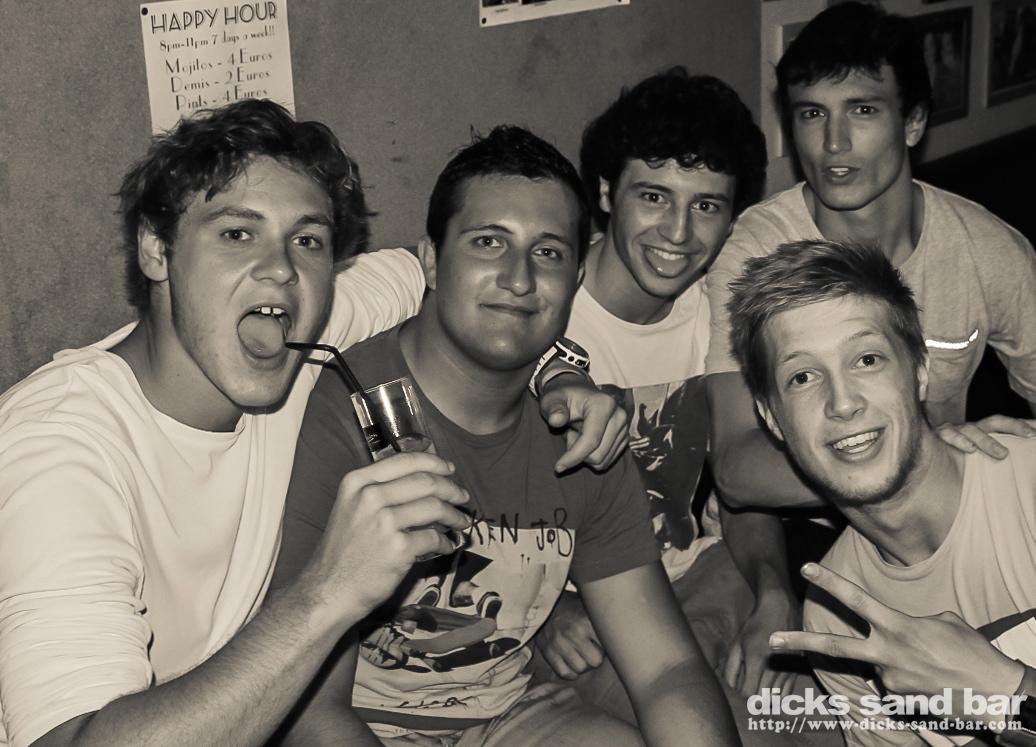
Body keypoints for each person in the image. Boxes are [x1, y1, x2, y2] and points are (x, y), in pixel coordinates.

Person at [0, 100, 626, 747]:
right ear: (157, 249)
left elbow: (494, 291)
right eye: (236, 234)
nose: (281, 269)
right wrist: (329, 590)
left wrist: (562, 372)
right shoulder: (62, 448)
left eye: (307, 240)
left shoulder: (306, 326)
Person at [270, 125, 741, 746]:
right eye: (489, 243)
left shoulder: (582, 430)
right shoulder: (347, 410)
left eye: (548, 252)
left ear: (576, 277)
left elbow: (665, 669)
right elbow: (308, 708)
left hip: (509, 716)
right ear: (432, 261)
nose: (519, 279)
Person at [533, 67, 813, 739]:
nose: (678, 232)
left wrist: (776, 593)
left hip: (705, 575)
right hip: (586, 611)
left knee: (826, 723)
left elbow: (740, 483)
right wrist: (539, 616)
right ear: (607, 192)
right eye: (654, 196)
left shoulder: (720, 316)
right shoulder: (538, 308)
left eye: (707, 206)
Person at [705, 1, 1036, 511]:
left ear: (913, 122)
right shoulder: (756, 251)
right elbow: (735, 468)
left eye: (862, 110)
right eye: (812, 113)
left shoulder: (988, 250)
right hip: (811, 522)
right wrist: (923, 465)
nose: (834, 143)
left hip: (941, 516)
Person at [727, 239, 1036, 746]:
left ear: (920, 370)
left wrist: (1007, 696)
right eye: (802, 376)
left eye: (867, 359)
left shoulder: (1027, 485)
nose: (842, 402)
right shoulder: (835, 617)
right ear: (772, 418)